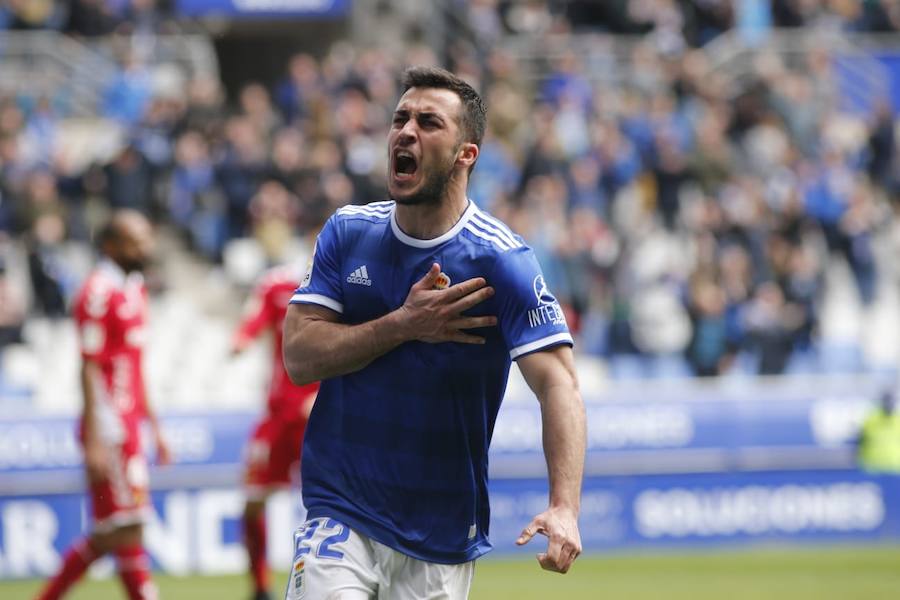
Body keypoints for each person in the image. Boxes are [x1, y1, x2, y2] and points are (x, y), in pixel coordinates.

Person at [282, 66, 586, 599]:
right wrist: (403, 324)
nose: (406, 132)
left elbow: (558, 382)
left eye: (428, 122)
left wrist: (564, 506)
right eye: (400, 118)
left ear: (466, 154)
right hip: (341, 510)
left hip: (440, 532)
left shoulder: (500, 261)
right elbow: (299, 357)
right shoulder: (348, 233)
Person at [36, 210, 170, 600]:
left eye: (146, 239)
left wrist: (155, 427)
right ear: (111, 246)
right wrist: (94, 437)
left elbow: (136, 364)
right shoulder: (96, 292)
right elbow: (89, 366)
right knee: (127, 525)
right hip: (109, 427)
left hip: (130, 424)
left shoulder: (135, 287)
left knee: (117, 528)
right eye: (136, 241)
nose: (146, 248)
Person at [232, 263, 320, 600]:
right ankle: (260, 587)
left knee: (336, 501)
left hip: (319, 413)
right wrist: (242, 338)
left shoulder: (347, 276)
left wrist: (324, 393)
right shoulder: (276, 284)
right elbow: (252, 322)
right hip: (278, 414)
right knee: (252, 502)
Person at [857, 388, 900, 474]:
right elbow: (860, 441)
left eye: (891, 401)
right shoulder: (870, 420)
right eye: (887, 401)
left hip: (895, 468)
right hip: (873, 468)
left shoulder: (897, 420)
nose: (889, 404)